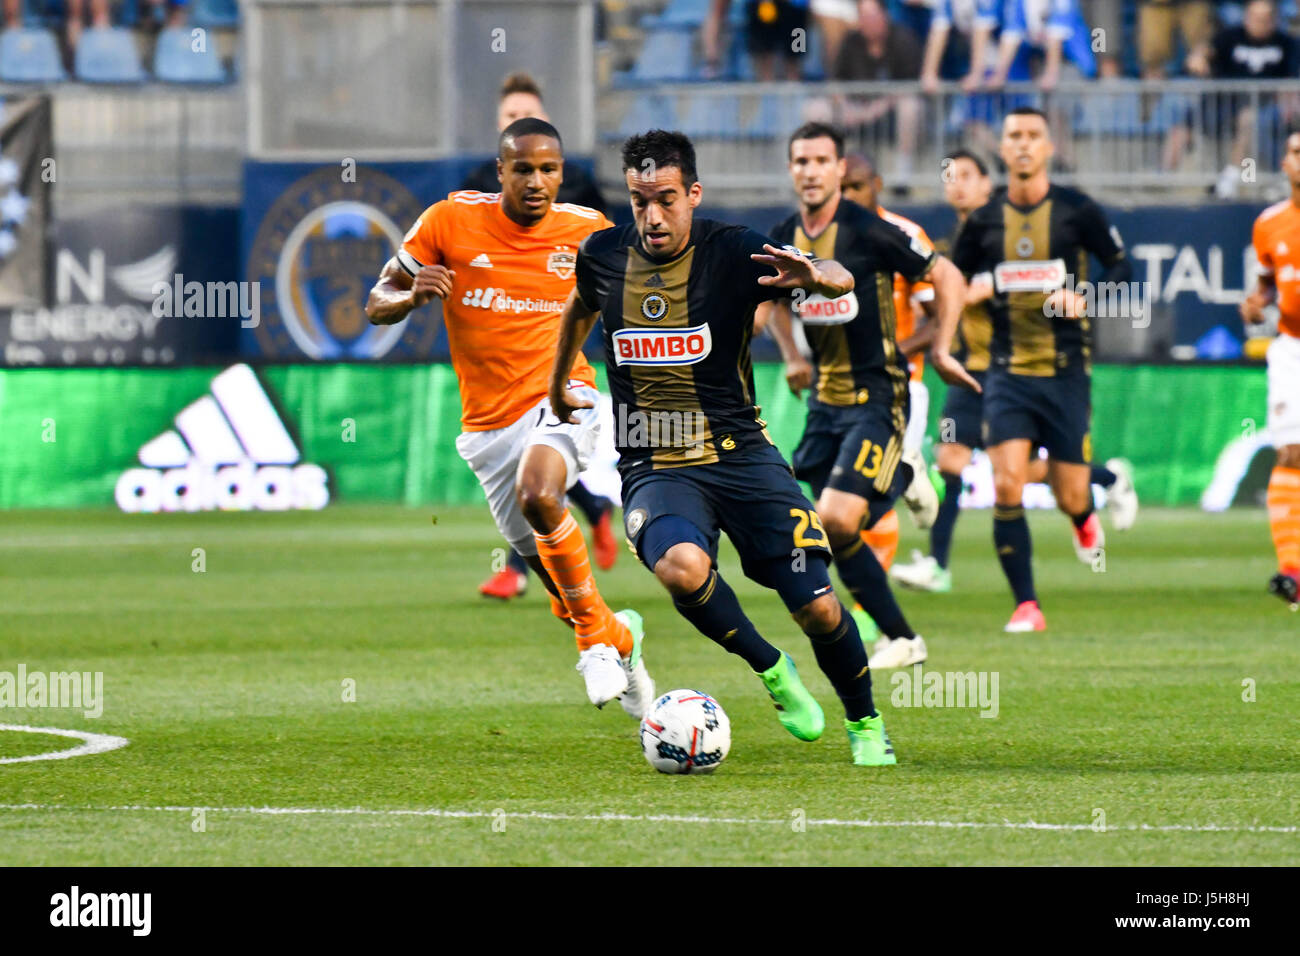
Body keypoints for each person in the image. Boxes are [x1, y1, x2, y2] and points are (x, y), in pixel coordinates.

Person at [549, 128, 903, 765]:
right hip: (654, 461)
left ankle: (866, 723)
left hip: (741, 455)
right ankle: (771, 669)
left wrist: (816, 276)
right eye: (638, 201)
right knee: (681, 568)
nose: (652, 216)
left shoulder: (736, 250)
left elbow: (841, 279)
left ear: (693, 194)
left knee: (819, 610)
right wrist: (556, 384)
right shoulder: (602, 255)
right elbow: (579, 306)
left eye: (665, 199)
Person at [365, 118, 655, 716]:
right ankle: (618, 634)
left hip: (563, 398)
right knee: (559, 586)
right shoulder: (448, 221)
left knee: (540, 491)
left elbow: (657, 288)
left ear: (562, 174)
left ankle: (594, 645)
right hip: (487, 430)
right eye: (523, 168)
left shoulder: (589, 233)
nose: (536, 181)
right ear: (501, 171)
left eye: (549, 170)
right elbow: (375, 302)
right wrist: (412, 295)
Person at [759, 123, 976, 672]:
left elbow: (948, 277)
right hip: (824, 404)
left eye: (820, 160)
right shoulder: (783, 235)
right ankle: (901, 638)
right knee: (836, 529)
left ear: (838, 170)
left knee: (833, 518)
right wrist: (789, 354)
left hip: (879, 395)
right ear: (791, 170)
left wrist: (945, 348)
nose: (809, 170)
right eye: (800, 160)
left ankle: (904, 474)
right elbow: (772, 305)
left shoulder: (872, 230)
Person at [891, 148, 1137, 594]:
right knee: (951, 459)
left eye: (968, 175)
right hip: (970, 371)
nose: (957, 184)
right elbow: (942, 301)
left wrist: (997, 290)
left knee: (1038, 479)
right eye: (950, 177)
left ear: (989, 184)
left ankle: (1107, 479)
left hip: (1020, 370)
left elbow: (1054, 280)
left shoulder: (1008, 233)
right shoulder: (952, 245)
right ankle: (937, 565)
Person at [948, 108, 1133, 632]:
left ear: (1049, 147)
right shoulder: (984, 221)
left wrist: (1085, 294)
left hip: (1066, 369)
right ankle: (1027, 605)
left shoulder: (1076, 210)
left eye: (1033, 135)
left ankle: (1083, 512)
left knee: (1069, 491)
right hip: (1006, 373)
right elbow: (953, 281)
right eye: (1014, 137)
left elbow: (1122, 266)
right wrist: (960, 303)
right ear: (1003, 150)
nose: (1024, 145)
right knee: (1007, 484)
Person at [458, 72, 617, 600]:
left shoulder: (580, 199)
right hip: (494, 366)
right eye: (508, 116)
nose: (535, 180)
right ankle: (593, 512)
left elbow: (610, 268)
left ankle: (521, 573)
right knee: (530, 481)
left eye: (547, 169)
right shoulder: (474, 190)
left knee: (537, 478)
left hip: (556, 363)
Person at [1241, 129, 1300, 608]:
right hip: (1291, 347)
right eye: (1297, 152)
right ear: (1285, 163)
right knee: (1290, 452)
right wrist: (1256, 302)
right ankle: (1292, 570)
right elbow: (1266, 281)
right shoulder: (1269, 224)